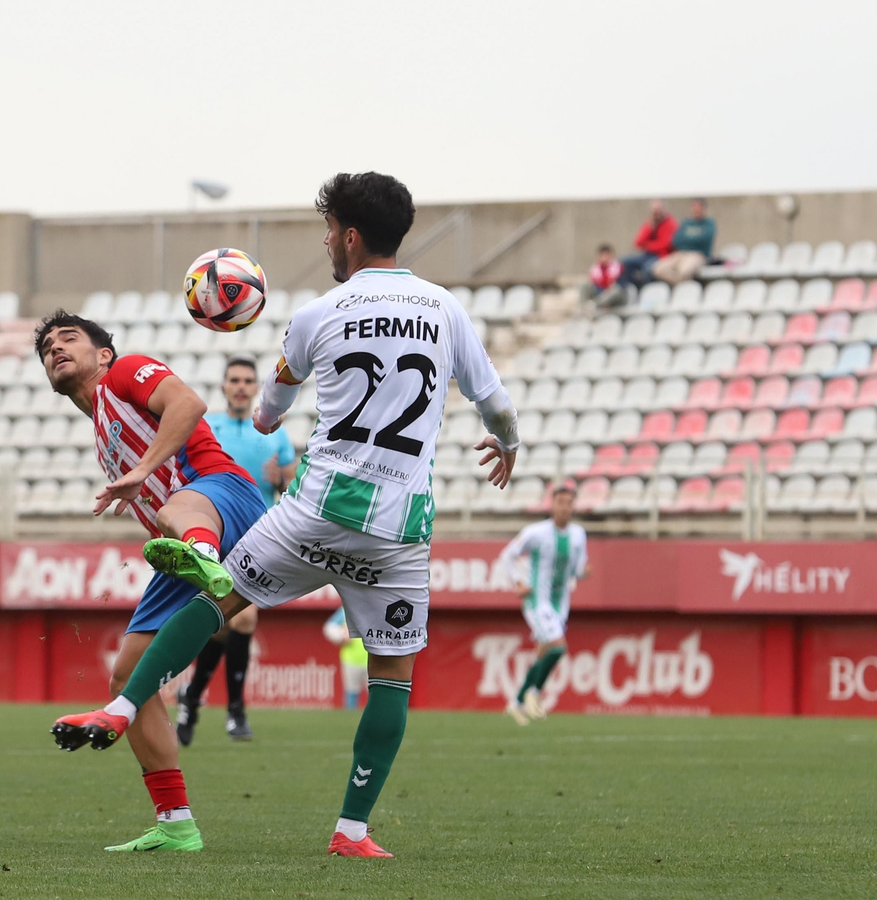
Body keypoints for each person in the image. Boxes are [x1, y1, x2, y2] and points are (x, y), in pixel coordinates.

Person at [54, 171, 520, 859]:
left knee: (221, 599)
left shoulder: (316, 316)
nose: (327, 241)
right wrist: (507, 445)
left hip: (318, 508)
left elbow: (269, 414)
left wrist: (281, 383)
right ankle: (352, 832)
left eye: (330, 230)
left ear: (352, 236)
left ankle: (124, 708)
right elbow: (496, 404)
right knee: (392, 675)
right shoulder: (444, 310)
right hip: (401, 525)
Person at [36, 312, 268, 853]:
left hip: (221, 497)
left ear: (104, 355)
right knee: (126, 680)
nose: (55, 349)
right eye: (47, 347)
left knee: (174, 509)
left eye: (69, 339)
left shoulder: (126, 373)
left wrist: (142, 469)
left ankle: (206, 559)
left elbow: (189, 404)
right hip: (179, 544)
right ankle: (175, 823)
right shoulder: (100, 428)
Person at [176, 355, 298, 744]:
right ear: (225, 386)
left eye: (249, 380)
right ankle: (203, 701)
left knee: (240, 621)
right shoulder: (207, 427)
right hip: (215, 534)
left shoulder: (274, 433)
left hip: (257, 534)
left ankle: (220, 706)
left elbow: (291, 487)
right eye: (235, 380)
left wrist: (282, 480)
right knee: (224, 624)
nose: (242, 386)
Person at [496, 483, 586, 726]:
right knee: (558, 647)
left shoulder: (579, 535)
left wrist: (583, 572)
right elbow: (507, 555)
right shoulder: (536, 532)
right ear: (552, 504)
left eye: (569, 502)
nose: (564, 507)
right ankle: (533, 692)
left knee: (543, 653)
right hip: (538, 601)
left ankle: (515, 704)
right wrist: (517, 582)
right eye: (560, 502)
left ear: (573, 506)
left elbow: (577, 570)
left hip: (561, 605)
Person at [617, 201, 676, 289]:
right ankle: (633, 288)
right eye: (654, 212)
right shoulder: (650, 224)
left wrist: (648, 246)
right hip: (647, 255)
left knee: (647, 268)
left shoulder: (671, 224)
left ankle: (647, 291)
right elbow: (638, 242)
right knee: (624, 262)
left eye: (658, 211)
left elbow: (665, 245)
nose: (656, 214)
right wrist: (650, 227)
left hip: (662, 256)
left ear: (663, 211)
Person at [323, 607, 369, 711]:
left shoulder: (372, 607)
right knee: (351, 692)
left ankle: (378, 720)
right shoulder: (346, 609)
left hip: (372, 660)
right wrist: (341, 637)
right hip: (351, 660)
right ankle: (350, 720)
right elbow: (329, 627)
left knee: (376, 694)